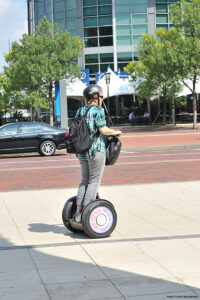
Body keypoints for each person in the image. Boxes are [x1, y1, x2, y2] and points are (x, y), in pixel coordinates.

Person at [74, 85, 122, 223]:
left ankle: (78, 212)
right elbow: (103, 129)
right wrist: (115, 132)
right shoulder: (98, 110)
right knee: (94, 182)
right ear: (95, 98)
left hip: (82, 151)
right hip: (95, 150)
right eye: (101, 96)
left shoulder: (80, 111)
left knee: (84, 181)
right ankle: (86, 213)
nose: (102, 99)